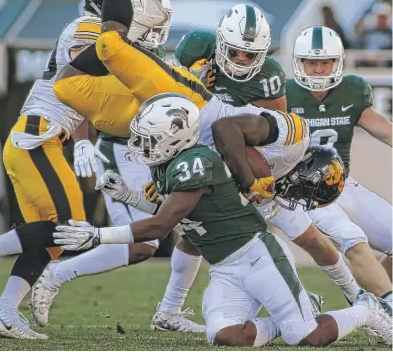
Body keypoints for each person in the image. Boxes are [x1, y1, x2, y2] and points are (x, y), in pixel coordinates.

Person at [53, 0, 370, 314]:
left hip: (168, 135)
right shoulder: (294, 136)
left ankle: (355, 299)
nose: (296, 198)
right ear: (305, 172)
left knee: (67, 88)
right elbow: (224, 131)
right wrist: (252, 182)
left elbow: (182, 201)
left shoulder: (267, 179)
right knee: (108, 46)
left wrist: (140, 191)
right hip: (188, 102)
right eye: (303, 192)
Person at [53, 93, 392, 347]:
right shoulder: (167, 164)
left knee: (305, 336)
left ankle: (367, 309)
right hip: (226, 267)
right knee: (225, 335)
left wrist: (98, 237)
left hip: (258, 258)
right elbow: (177, 215)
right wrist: (129, 196)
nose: (141, 146)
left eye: (149, 139)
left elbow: (161, 225)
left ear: (175, 137)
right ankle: (293, 312)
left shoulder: (196, 163)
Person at [0, 0, 171, 339]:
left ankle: (4, 312)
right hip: (38, 137)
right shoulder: (87, 28)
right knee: (69, 228)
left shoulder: (99, 34)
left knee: (52, 242)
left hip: (42, 139)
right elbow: (84, 82)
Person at [286, 25, 393, 298]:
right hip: (299, 194)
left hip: (341, 184)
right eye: (312, 62)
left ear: (338, 62)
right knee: (353, 242)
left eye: (325, 62)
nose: (319, 70)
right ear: (300, 63)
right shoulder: (283, 95)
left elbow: (384, 130)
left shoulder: (353, 90)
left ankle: (374, 303)